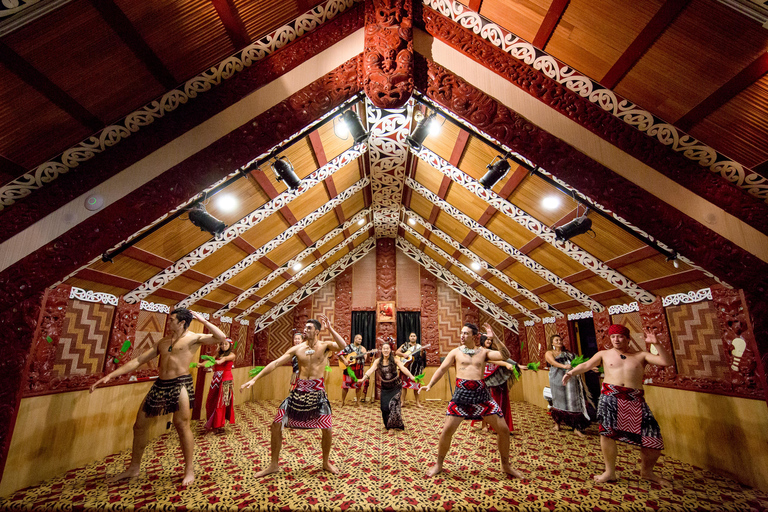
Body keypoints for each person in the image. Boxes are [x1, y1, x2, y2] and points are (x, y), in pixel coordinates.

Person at [90, 308, 225, 486]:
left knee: (181, 425)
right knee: (139, 425)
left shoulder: (193, 338)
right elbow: (138, 361)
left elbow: (221, 337)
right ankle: (134, 467)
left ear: (182, 322)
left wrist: (204, 320)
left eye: (172, 320)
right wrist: (111, 375)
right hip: (161, 384)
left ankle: (189, 470)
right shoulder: (163, 342)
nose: (168, 322)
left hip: (181, 383)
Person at [564, 324, 674, 486]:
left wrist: (656, 344)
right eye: (613, 336)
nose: (616, 339)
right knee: (607, 435)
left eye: (620, 336)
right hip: (610, 398)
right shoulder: (604, 354)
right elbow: (586, 365)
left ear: (628, 339)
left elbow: (666, 361)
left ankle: (647, 472)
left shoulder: (641, 356)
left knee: (652, 438)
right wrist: (571, 372)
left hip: (635, 400)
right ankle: (610, 472)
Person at [240, 313, 346, 476]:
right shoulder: (298, 348)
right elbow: (275, 363)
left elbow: (343, 345)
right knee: (276, 424)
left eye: (309, 328)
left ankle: (325, 463)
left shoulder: (325, 346)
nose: (305, 330)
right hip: (298, 391)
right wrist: (254, 379)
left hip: (318, 393)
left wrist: (331, 328)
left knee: (327, 428)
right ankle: (273, 464)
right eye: (305, 327)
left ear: (317, 331)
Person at [419, 323, 522, 478]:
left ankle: (505, 465)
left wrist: (496, 339)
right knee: (447, 430)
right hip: (461, 395)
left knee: (504, 430)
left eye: (466, 333)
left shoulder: (484, 352)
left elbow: (505, 356)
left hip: (482, 396)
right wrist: (430, 384)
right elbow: (442, 369)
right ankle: (438, 464)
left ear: (475, 337)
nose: (462, 336)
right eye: (461, 333)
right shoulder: (456, 352)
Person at [545, 333, 593, 437]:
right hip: (557, 380)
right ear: (552, 342)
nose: (559, 342)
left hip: (571, 381)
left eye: (560, 340)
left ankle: (576, 428)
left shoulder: (569, 354)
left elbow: (579, 363)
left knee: (574, 402)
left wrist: (591, 367)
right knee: (558, 401)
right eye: (556, 340)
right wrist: (564, 366)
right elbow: (553, 363)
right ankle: (557, 424)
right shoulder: (549, 352)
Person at [360, 342, 415, 430]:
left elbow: (403, 368)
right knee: (384, 407)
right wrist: (363, 379)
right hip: (385, 387)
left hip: (396, 386)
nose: (385, 350)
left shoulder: (395, 359)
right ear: (381, 350)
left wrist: (411, 376)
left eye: (387, 348)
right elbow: (371, 370)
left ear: (390, 350)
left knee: (393, 406)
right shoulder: (378, 361)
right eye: (384, 348)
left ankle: (394, 426)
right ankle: (388, 424)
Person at [475, 323, 515, 434]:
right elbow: (492, 361)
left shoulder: (493, 351)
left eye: (490, 340)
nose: (489, 341)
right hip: (483, 379)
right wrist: (505, 364)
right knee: (484, 402)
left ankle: (498, 425)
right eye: (487, 340)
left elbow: (506, 358)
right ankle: (484, 425)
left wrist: (517, 365)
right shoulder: (479, 351)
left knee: (494, 402)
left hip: (495, 380)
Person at [204, 337, 237, 432]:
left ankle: (218, 425)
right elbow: (210, 361)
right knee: (211, 400)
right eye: (222, 344)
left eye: (225, 344)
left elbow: (225, 359)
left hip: (225, 380)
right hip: (215, 380)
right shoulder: (217, 354)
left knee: (220, 403)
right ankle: (212, 423)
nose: (223, 346)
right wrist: (200, 364)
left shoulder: (231, 355)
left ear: (230, 345)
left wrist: (219, 360)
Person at [395, 332, 425, 408]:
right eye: (411, 336)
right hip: (406, 367)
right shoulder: (405, 345)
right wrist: (403, 355)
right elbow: (397, 352)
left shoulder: (419, 346)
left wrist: (421, 351)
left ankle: (417, 403)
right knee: (404, 386)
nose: (412, 337)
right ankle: (402, 402)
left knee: (416, 386)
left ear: (416, 338)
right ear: (409, 337)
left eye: (414, 336)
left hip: (416, 369)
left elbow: (422, 357)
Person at [339, 334, 369, 406]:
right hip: (349, 370)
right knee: (345, 386)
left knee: (358, 386)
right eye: (358, 339)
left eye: (361, 339)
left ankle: (358, 402)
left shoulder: (362, 348)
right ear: (355, 339)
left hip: (359, 370)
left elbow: (365, 359)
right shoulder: (349, 347)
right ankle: (342, 401)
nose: (360, 340)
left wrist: (365, 355)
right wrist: (345, 361)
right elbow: (340, 354)